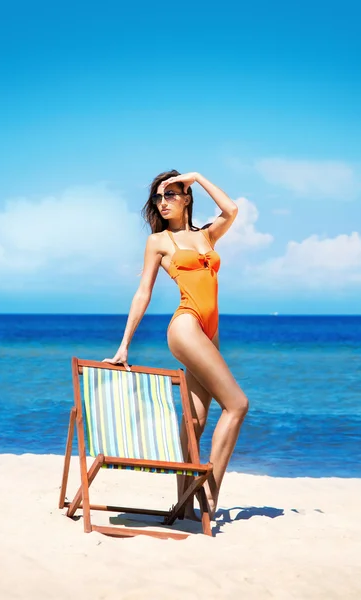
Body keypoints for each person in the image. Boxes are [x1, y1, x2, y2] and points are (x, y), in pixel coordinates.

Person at [103, 170, 249, 519]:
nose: (163, 202)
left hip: (209, 332)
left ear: (186, 198)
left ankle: (183, 504)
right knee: (238, 404)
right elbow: (144, 292)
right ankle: (208, 499)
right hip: (186, 327)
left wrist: (197, 176)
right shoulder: (159, 242)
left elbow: (231, 211)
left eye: (170, 194)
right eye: (158, 197)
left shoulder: (207, 236)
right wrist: (124, 345)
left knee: (196, 421)